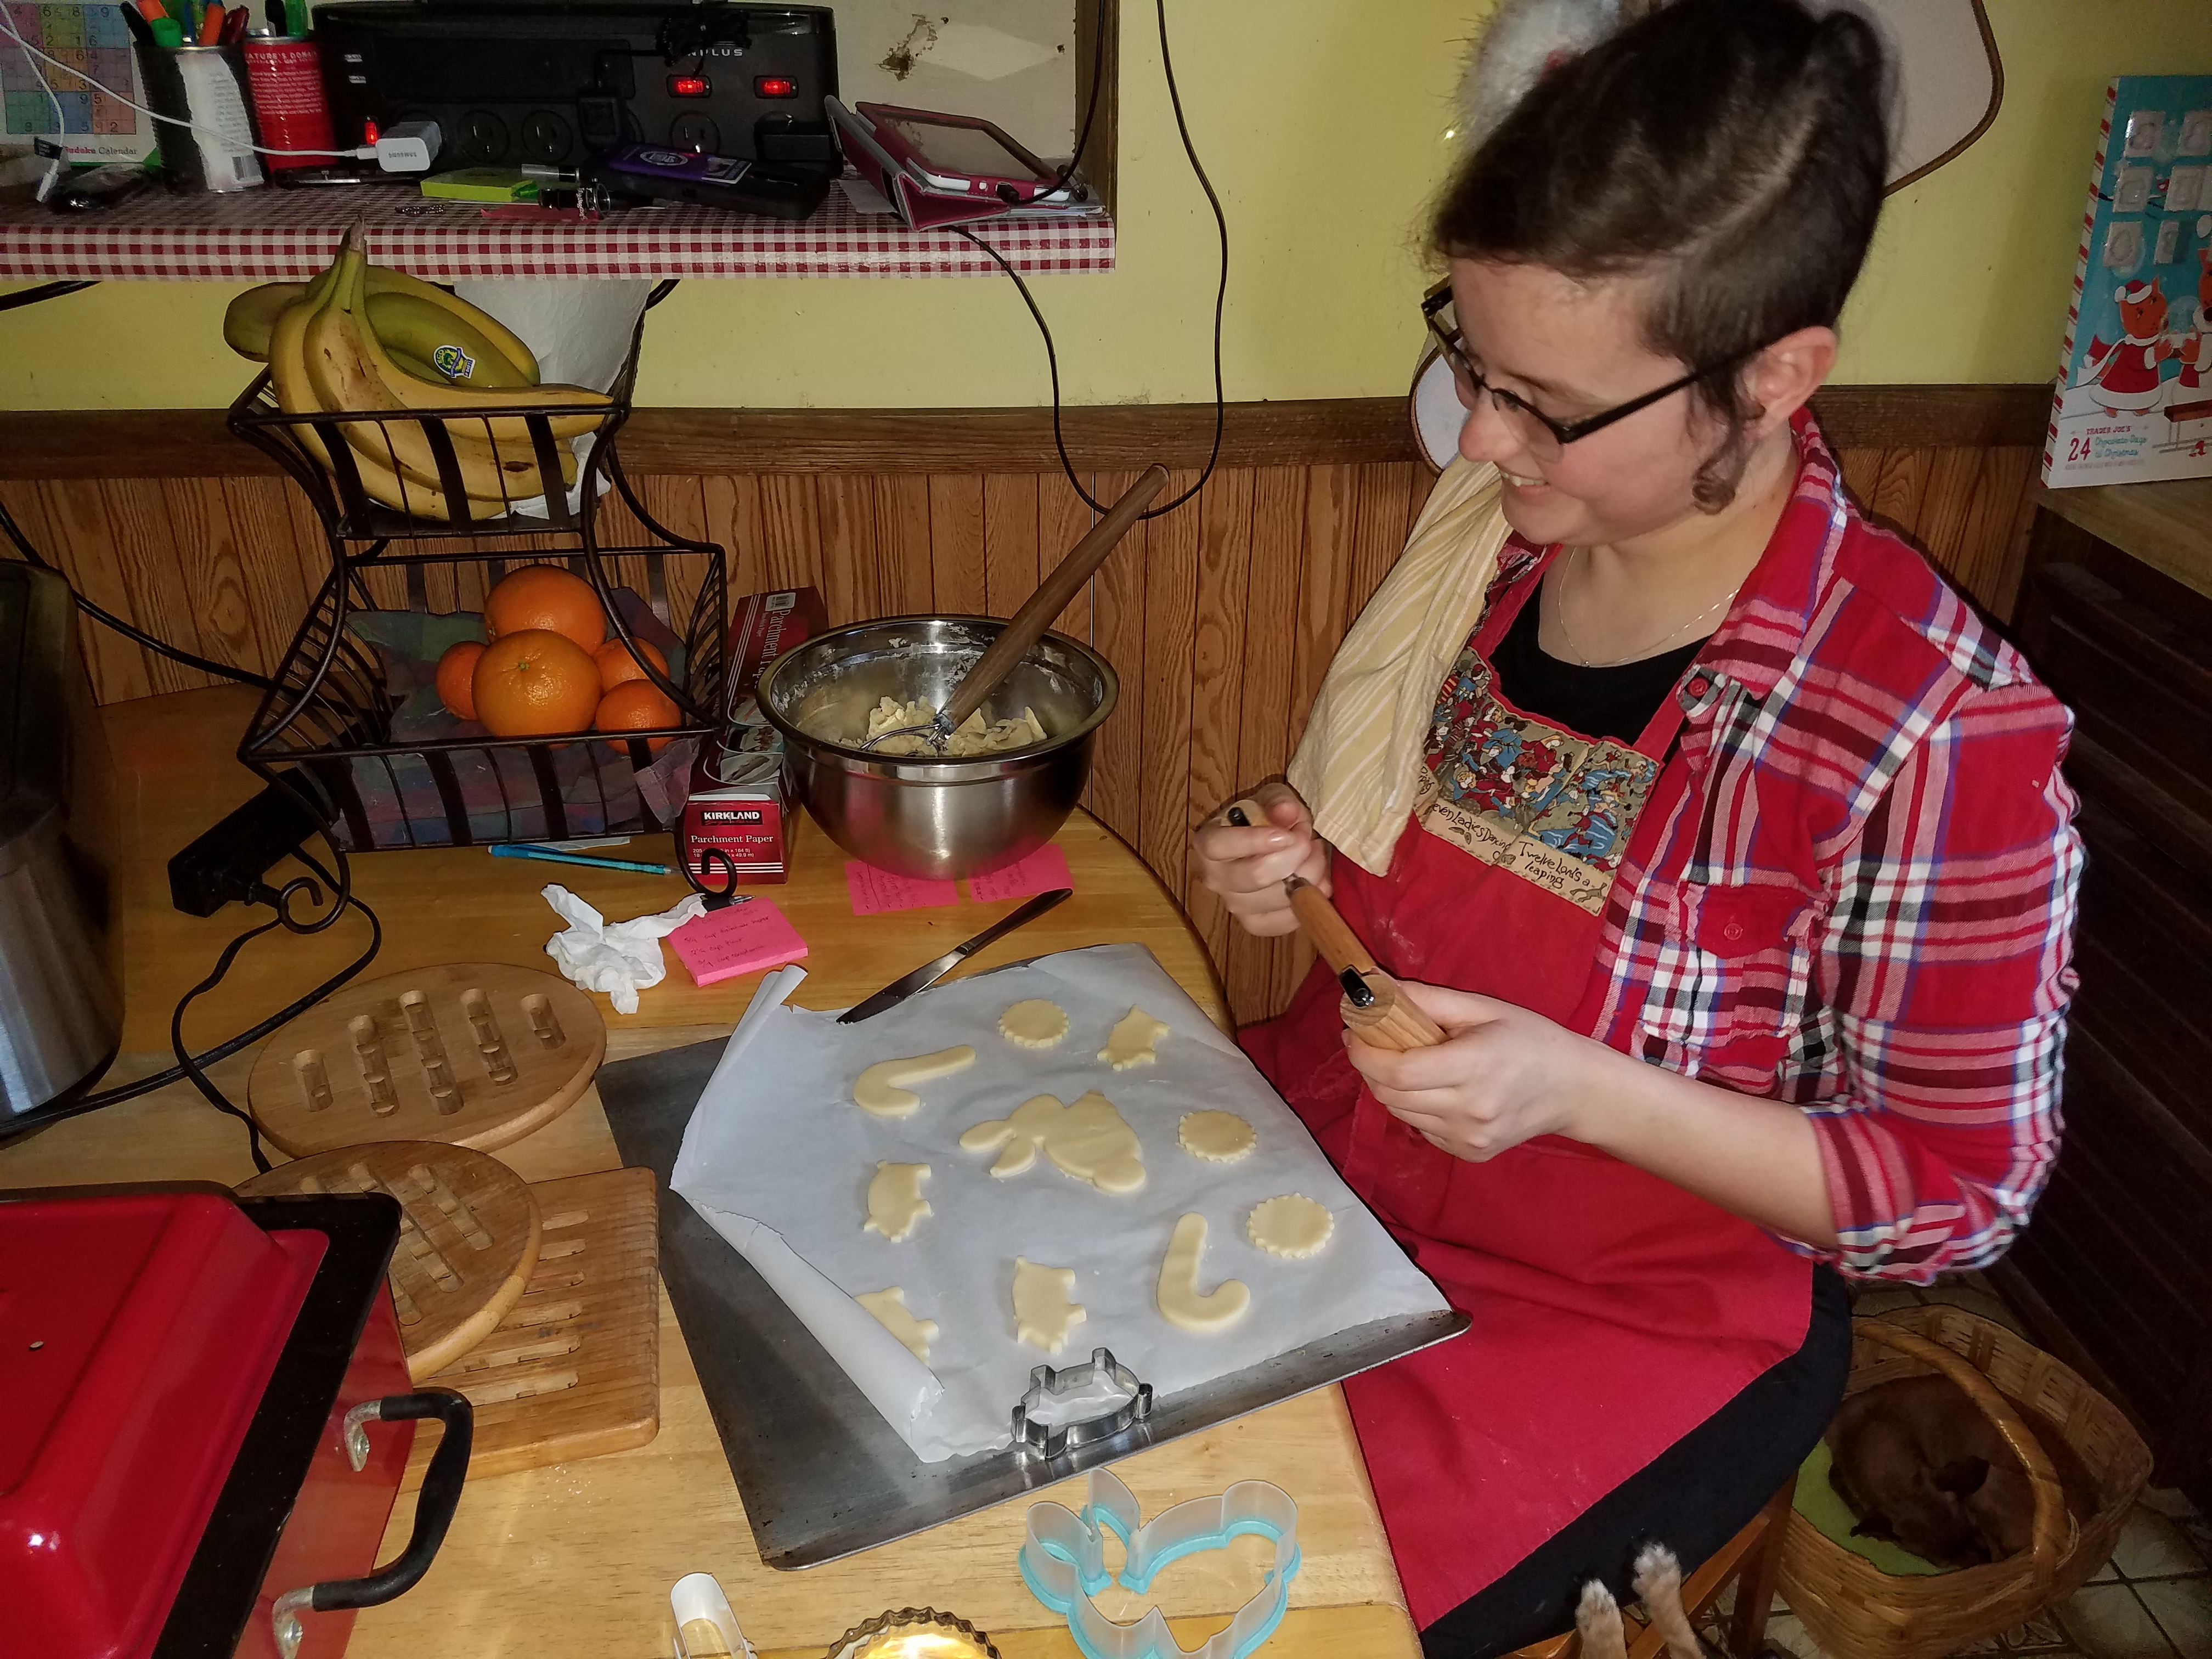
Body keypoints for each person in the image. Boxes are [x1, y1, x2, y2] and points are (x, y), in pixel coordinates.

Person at [1190, 3, 2082, 1654]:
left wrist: (1579, 1091)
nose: (1480, 435)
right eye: (1471, 360)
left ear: (1774, 375)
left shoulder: (1926, 726)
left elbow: (1957, 1190)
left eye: (1546, 403)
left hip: (1625, 1312)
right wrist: (1295, 858)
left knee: (1231, 1597)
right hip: (1336, 1153)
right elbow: (1393, 851)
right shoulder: (1498, 544)